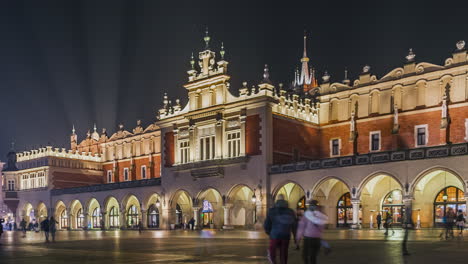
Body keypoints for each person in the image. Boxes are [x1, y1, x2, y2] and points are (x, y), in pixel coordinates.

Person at [264, 194, 297, 264]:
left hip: (275, 235)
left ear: (277, 200)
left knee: (272, 250)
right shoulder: (291, 211)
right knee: (284, 252)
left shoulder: (271, 210)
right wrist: (295, 237)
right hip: (286, 235)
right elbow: (294, 225)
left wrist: (269, 232)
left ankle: (273, 261)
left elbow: (267, 224)